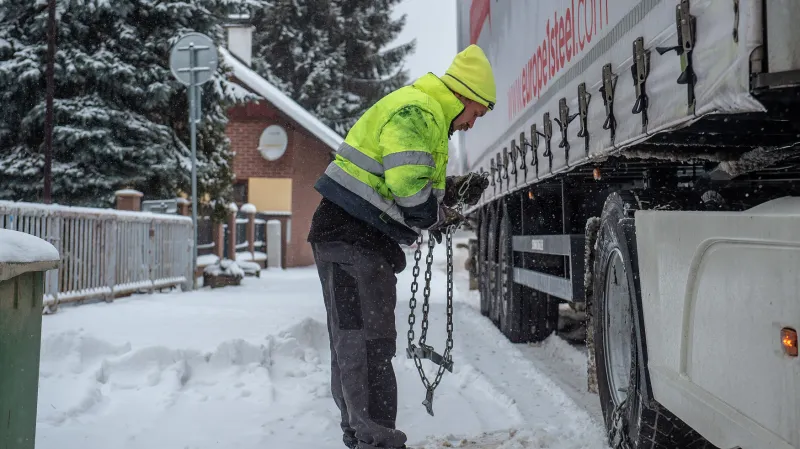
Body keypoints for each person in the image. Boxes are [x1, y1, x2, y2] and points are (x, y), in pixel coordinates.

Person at [307, 44, 495, 449]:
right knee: (367, 344)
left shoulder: (423, 110)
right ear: (464, 95)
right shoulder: (420, 111)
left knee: (352, 340)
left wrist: (445, 201)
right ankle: (375, 440)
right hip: (353, 240)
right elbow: (408, 186)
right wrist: (435, 215)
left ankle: (361, 436)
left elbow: (404, 180)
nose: (471, 124)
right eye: (475, 113)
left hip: (347, 237)